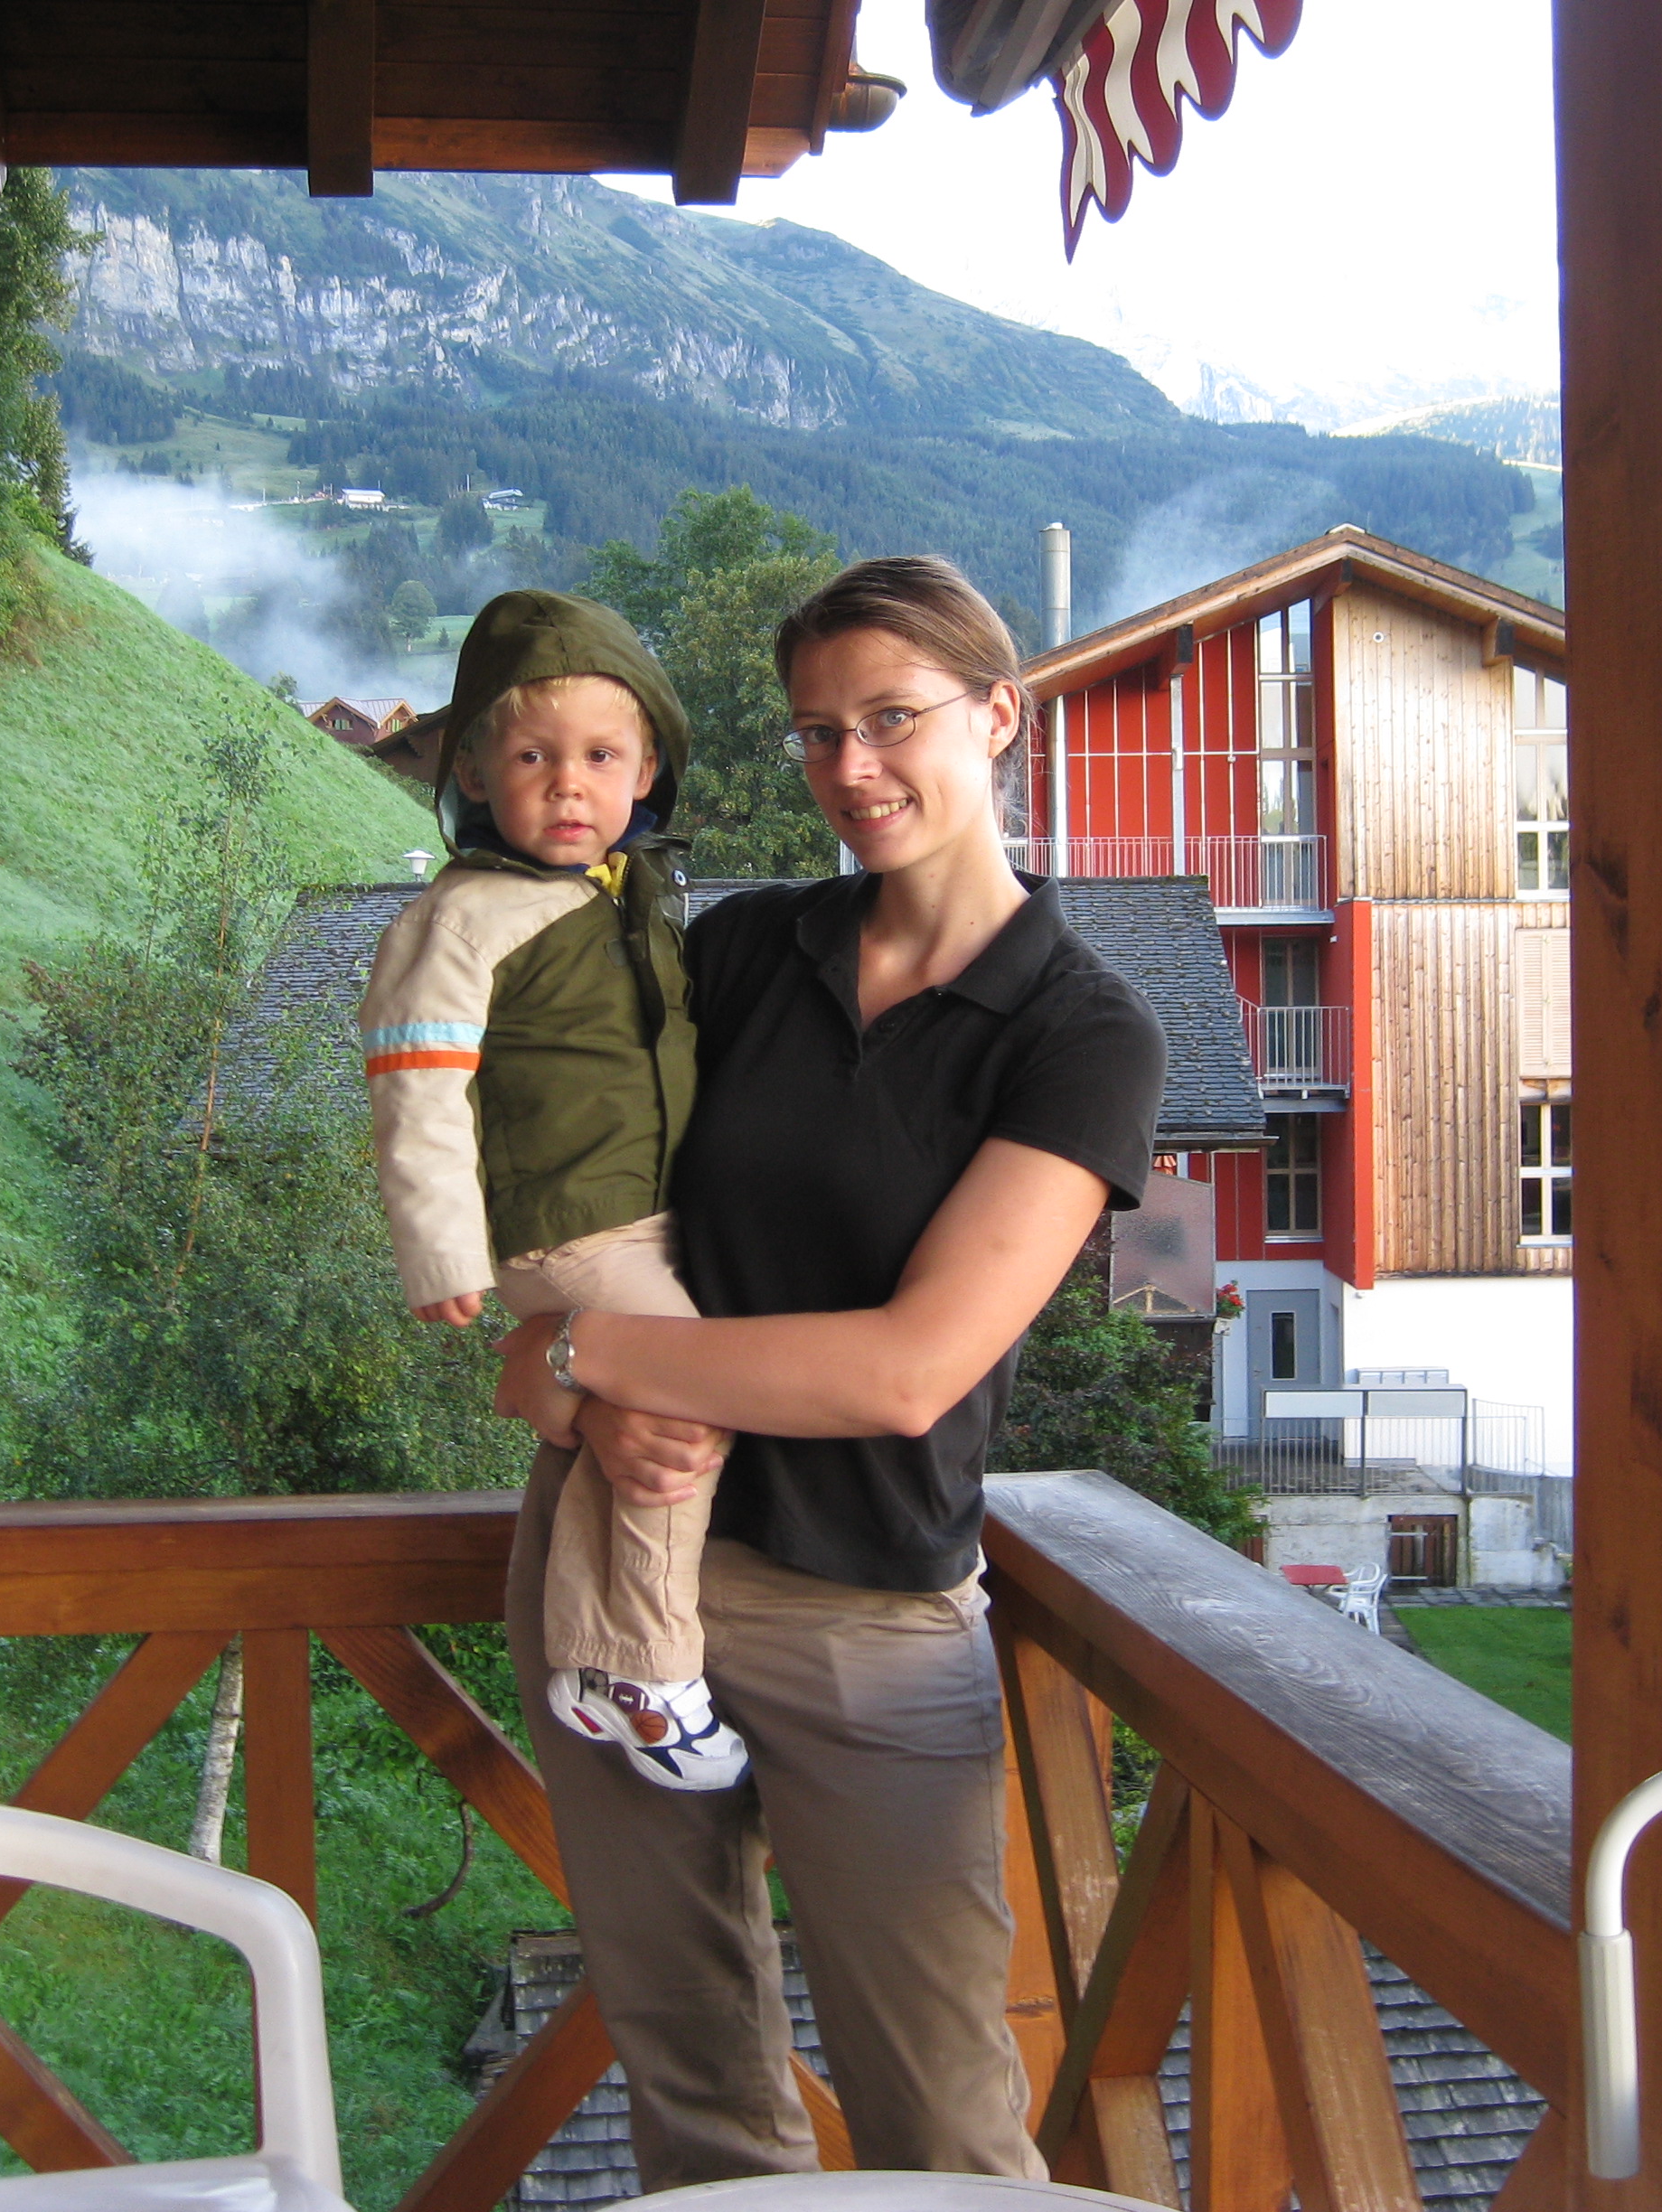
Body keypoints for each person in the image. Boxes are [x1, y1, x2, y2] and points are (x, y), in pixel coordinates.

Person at [492, 556, 1169, 2187]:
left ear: (998, 715)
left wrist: (605, 1361)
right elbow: (567, 1220)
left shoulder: (1081, 1032)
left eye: (891, 719)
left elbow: (908, 1371)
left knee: (943, 2121)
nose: (849, 767)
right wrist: (566, 1387)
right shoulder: (739, 954)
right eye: (814, 732)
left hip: (868, 1616)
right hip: (612, 1561)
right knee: (696, 2085)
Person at [359, 589, 747, 1790]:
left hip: (633, 1217)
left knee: (625, 1435)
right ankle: (650, 1669)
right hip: (565, 1222)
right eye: (534, 758)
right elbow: (416, 1095)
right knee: (690, 1403)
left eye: (600, 758)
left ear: (647, 771)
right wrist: (441, 1255)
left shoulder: (625, 898)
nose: (569, 786)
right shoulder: (460, 917)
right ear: (476, 773)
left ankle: (586, 1660)